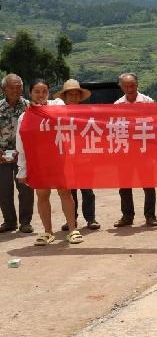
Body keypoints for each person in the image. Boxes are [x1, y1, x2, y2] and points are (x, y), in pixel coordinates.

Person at [15, 80, 83, 245]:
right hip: (38, 162)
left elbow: (61, 106)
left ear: (48, 93)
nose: (41, 95)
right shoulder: (25, 116)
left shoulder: (56, 106)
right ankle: (48, 232)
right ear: (30, 93)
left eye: (44, 91)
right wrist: (22, 169)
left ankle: (72, 229)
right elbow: (21, 145)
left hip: (59, 160)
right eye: (37, 91)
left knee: (65, 193)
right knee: (42, 195)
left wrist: (41, 109)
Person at [113, 73, 157, 227]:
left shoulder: (148, 102)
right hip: (125, 151)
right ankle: (127, 216)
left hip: (145, 150)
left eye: (132, 85)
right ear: (121, 87)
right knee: (124, 185)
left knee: (148, 185)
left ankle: (150, 216)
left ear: (137, 84)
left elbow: (155, 127)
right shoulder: (117, 105)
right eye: (126, 86)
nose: (130, 89)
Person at [56, 80, 100, 232]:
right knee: (70, 191)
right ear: (65, 97)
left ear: (80, 96)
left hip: (85, 157)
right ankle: (71, 220)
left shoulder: (88, 112)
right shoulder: (57, 113)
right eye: (70, 94)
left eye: (76, 94)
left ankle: (91, 219)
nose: (74, 97)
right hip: (65, 158)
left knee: (87, 190)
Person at [0, 74, 33, 234]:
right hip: (1, 156)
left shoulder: (30, 107)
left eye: (18, 87)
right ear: (3, 89)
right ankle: (9, 222)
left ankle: (25, 222)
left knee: (26, 189)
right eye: (11, 87)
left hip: (23, 155)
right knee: (3, 190)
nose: (15, 90)